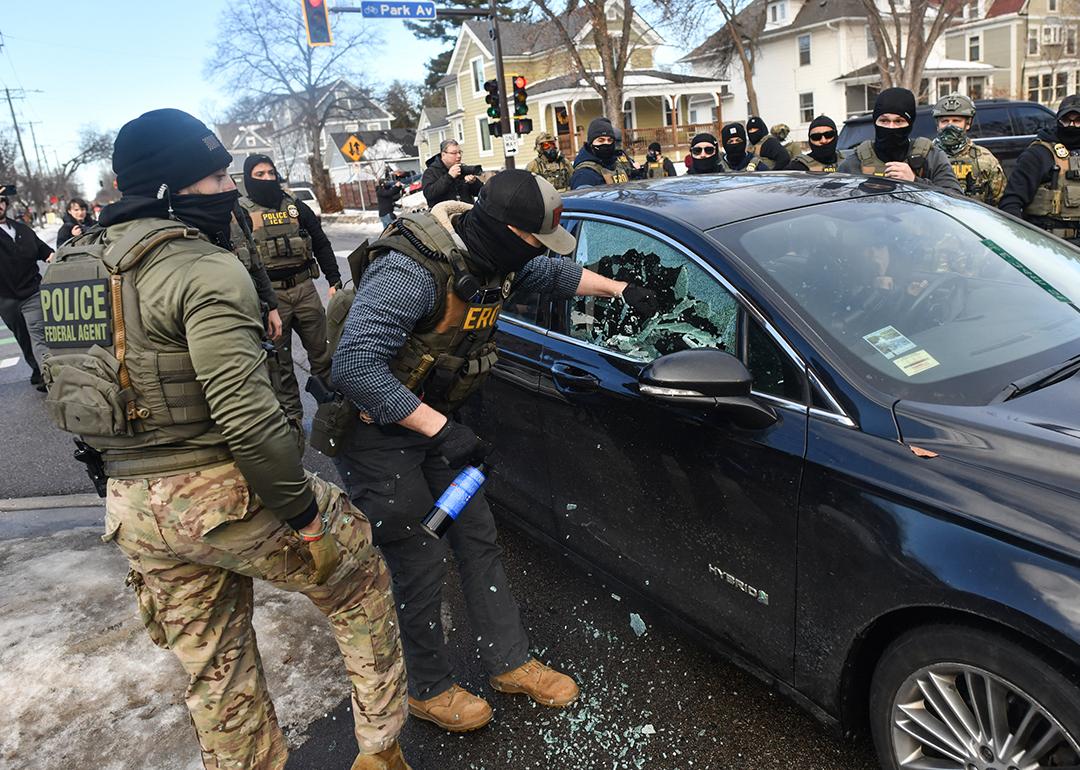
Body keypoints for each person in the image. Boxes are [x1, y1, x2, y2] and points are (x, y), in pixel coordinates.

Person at [39, 109, 409, 770]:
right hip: (222, 492)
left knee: (218, 675)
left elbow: (71, 388)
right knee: (360, 581)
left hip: (132, 505)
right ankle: (381, 751)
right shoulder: (199, 267)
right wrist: (303, 519)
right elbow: (250, 419)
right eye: (213, 179)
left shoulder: (70, 267)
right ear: (165, 190)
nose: (227, 191)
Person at [330, 170, 660, 734]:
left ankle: (509, 663)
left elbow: (553, 274)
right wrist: (443, 431)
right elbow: (355, 367)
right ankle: (426, 688)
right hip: (378, 434)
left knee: (478, 538)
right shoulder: (412, 269)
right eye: (535, 239)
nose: (537, 252)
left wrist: (620, 289)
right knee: (418, 559)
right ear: (507, 229)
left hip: (436, 423)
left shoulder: (499, 255)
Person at [239, 154, 341, 424]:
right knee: (280, 365)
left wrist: (334, 280)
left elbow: (320, 242)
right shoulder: (239, 212)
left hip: (304, 289)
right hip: (270, 299)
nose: (267, 179)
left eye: (271, 173)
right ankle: (293, 422)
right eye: (259, 174)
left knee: (323, 355)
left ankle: (333, 413)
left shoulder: (295, 206)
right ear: (248, 177)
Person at [839, 88, 962, 192]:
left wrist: (915, 181)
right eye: (884, 121)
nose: (891, 127)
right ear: (875, 122)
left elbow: (956, 199)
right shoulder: (855, 161)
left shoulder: (931, 157)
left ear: (910, 123)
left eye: (899, 121)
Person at [1000, 94, 1080, 241]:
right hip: (1048, 245)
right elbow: (1011, 202)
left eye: (1078, 121)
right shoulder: (1038, 154)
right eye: (1066, 120)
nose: (1071, 126)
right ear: (1058, 121)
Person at [0, 190, 52, 391]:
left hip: (31, 292)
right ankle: (38, 371)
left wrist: (51, 256)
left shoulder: (22, 229)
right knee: (23, 338)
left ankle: (49, 375)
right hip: (6, 298)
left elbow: (42, 249)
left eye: (1, 201)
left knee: (39, 335)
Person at [932, 94, 1006, 205]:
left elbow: (1000, 201)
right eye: (944, 121)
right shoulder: (925, 156)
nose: (949, 126)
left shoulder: (985, 159)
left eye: (956, 121)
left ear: (968, 124)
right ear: (937, 125)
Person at [570, 117, 630, 189]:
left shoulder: (616, 164)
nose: (606, 143)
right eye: (601, 140)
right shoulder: (584, 175)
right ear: (591, 143)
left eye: (610, 140)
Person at [422, 140, 483, 208]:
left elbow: (481, 193)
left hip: (466, 214)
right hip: (443, 214)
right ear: (443, 155)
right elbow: (429, 194)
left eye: (459, 152)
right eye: (454, 153)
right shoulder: (431, 172)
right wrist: (449, 176)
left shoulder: (463, 170)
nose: (459, 156)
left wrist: (474, 183)